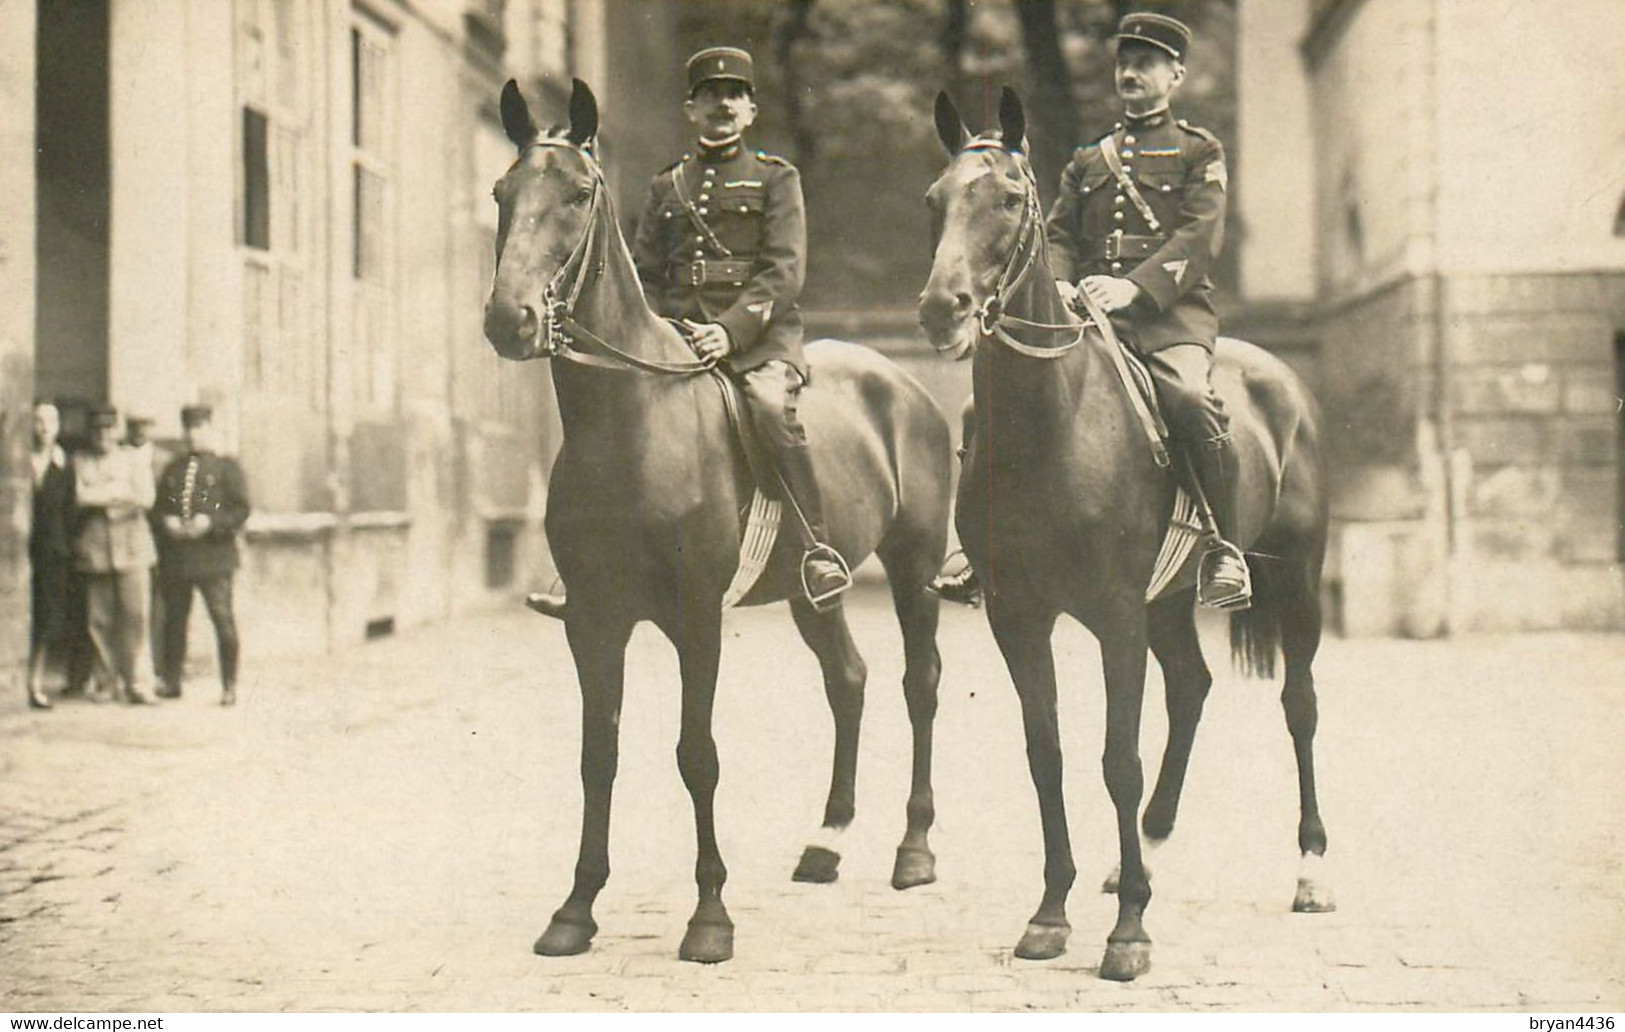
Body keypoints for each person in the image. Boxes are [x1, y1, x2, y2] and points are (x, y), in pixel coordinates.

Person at [932, 11, 1251, 611]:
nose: (1132, 72)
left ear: (1174, 74)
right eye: (1125, 62)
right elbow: (1057, 237)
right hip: (1089, 319)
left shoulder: (1197, 151)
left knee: (1188, 398)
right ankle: (976, 550)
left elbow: (1199, 237)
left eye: (1147, 63)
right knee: (982, 407)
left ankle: (1223, 548)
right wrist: (1063, 286)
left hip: (1168, 318)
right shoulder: (1087, 161)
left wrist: (1134, 288)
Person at [525, 45, 851, 617]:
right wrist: (656, 334)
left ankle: (815, 547)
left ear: (750, 111)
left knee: (772, 409)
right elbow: (644, 275)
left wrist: (729, 332)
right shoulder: (666, 186)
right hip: (674, 341)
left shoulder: (776, 178)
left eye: (734, 95)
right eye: (709, 95)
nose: (722, 104)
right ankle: (591, 568)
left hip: (757, 341)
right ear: (690, 109)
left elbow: (783, 271)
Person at [153, 405, 250, 706]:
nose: (194, 434)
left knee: (222, 619)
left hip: (214, 557)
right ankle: (172, 681)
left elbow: (240, 509)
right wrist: (166, 522)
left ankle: (229, 685)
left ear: (211, 429)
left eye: (200, 428)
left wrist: (211, 523)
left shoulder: (226, 468)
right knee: (174, 621)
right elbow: (158, 508)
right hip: (178, 557)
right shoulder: (173, 469)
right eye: (189, 428)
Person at [71, 406, 158, 704]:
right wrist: (119, 493)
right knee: (99, 620)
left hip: (133, 548)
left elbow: (145, 498)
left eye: (109, 429)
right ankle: (106, 682)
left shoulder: (133, 460)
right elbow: (80, 497)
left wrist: (102, 495)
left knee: (137, 617)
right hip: (95, 548)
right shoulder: (80, 461)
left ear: (117, 431)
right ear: (90, 433)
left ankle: (138, 682)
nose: (103, 435)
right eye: (97, 430)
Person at [25, 402, 75, 710]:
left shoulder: (63, 462)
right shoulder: (18, 460)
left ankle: (35, 681)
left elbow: (70, 510)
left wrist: (61, 544)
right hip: (19, 549)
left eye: (50, 421)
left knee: (44, 617)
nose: (44, 427)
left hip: (50, 551)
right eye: (38, 421)